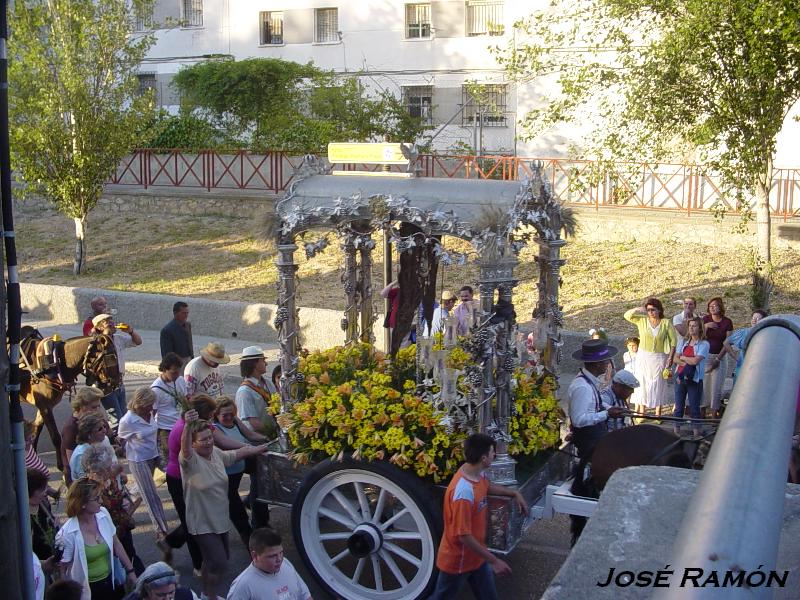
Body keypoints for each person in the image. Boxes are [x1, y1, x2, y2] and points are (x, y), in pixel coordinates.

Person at [179, 409, 269, 600]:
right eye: (202, 440)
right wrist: (187, 426)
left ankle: (204, 592)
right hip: (201, 521)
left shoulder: (216, 454)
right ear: (193, 443)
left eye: (210, 437)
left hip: (219, 518)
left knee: (213, 561)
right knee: (220, 563)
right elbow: (185, 448)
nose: (208, 442)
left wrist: (259, 448)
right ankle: (210, 595)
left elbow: (237, 453)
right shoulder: (190, 461)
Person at [429, 433, 528, 600]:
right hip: (458, 561)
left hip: (477, 557)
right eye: (492, 452)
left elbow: (486, 487)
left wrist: (513, 493)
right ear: (484, 458)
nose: (494, 455)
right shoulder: (464, 493)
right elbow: (463, 536)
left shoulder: (476, 472)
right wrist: (494, 560)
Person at [56, 478, 137, 600]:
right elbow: (62, 570)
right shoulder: (66, 534)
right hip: (85, 591)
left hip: (110, 583)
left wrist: (131, 571)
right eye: (96, 498)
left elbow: (116, 543)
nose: (101, 501)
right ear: (82, 503)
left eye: (100, 496)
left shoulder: (103, 514)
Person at [117, 388, 170, 557]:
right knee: (151, 495)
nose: (150, 408)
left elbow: (154, 433)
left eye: (151, 405)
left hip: (154, 455)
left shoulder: (150, 413)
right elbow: (121, 441)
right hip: (138, 459)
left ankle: (124, 504)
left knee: (143, 490)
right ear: (139, 404)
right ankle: (161, 531)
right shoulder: (128, 420)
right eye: (147, 405)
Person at [80, 445, 144, 576]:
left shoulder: (109, 478)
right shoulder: (94, 489)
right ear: (98, 470)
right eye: (108, 467)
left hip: (122, 527)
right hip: (110, 532)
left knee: (131, 556)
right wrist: (132, 507)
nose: (112, 469)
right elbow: (106, 512)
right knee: (125, 565)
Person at [212, 396, 268, 545]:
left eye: (232, 413)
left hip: (240, 466)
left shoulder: (235, 421)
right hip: (226, 473)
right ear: (216, 415)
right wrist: (251, 448)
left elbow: (250, 435)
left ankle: (253, 506)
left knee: (260, 478)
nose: (229, 417)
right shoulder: (215, 429)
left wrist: (267, 439)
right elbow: (229, 443)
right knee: (233, 508)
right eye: (225, 415)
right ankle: (248, 537)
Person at [567, 339, 629, 458]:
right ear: (597, 364)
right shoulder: (582, 387)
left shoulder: (589, 381)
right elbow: (578, 420)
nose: (608, 363)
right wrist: (606, 414)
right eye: (605, 361)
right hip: (588, 440)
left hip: (595, 434)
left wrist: (612, 408)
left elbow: (595, 403)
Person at [623, 298, 678, 417]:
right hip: (643, 356)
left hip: (659, 357)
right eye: (648, 310)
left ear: (659, 310)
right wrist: (638, 309)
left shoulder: (665, 323)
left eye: (653, 309)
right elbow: (627, 315)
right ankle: (641, 413)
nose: (651, 312)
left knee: (657, 383)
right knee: (642, 383)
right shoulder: (642, 320)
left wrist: (670, 358)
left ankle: (658, 414)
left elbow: (673, 341)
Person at [227, 528, 312, 600]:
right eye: (272, 556)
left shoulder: (286, 563)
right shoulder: (242, 586)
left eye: (281, 553)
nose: (279, 559)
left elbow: (305, 596)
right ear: (255, 555)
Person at [92, 313, 142, 423]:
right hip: (107, 387)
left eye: (111, 320)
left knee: (124, 418)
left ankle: (121, 438)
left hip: (120, 384)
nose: (111, 323)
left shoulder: (118, 339)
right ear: (99, 327)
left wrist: (130, 331)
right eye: (107, 322)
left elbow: (138, 342)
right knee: (116, 420)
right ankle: (115, 439)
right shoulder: (96, 343)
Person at [60, 387, 107, 485]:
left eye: (99, 406)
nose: (98, 410)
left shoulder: (95, 418)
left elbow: (109, 435)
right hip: (82, 481)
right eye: (94, 407)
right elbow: (73, 462)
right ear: (81, 406)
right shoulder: (71, 428)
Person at [673, 317, 710, 437]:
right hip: (680, 377)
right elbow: (675, 359)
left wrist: (683, 358)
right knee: (679, 407)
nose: (691, 328)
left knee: (694, 408)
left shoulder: (704, 344)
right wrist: (685, 363)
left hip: (694, 379)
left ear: (700, 328)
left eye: (694, 326)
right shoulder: (683, 342)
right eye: (690, 326)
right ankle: (676, 432)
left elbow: (695, 361)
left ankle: (696, 434)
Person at [151, 352, 187, 468]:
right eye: (173, 372)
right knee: (171, 460)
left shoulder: (180, 380)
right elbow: (152, 413)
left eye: (178, 371)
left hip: (181, 425)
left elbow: (185, 399)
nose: (177, 375)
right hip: (166, 429)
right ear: (164, 369)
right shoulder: (156, 389)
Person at [701, 297, 734, 418]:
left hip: (719, 357)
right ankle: (702, 414)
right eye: (710, 306)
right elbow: (698, 337)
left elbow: (728, 342)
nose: (713, 308)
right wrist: (706, 326)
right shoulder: (705, 320)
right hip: (705, 357)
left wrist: (718, 359)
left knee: (716, 387)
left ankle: (714, 415)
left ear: (720, 307)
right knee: (704, 386)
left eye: (715, 305)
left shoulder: (727, 322)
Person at [235, 346, 277, 436]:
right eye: (263, 360)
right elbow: (255, 423)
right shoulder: (244, 392)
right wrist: (275, 431)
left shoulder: (267, 383)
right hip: (258, 440)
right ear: (255, 364)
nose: (266, 363)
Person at [723, 309, 768, 385]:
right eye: (753, 318)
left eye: (758, 318)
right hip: (742, 368)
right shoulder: (743, 332)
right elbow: (726, 342)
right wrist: (735, 356)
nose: (754, 320)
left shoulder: (767, 335)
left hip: (759, 370)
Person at [69, 413, 114, 481]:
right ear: (89, 434)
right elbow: (86, 481)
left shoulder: (97, 445)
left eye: (104, 426)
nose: (104, 430)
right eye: (99, 429)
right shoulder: (81, 454)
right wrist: (113, 473)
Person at [28, 469, 58, 568]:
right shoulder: (21, 516)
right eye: (41, 490)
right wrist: (42, 564)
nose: (45, 492)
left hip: (51, 560)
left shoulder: (44, 503)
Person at [122, 562, 194, 600]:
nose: (167, 598)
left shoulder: (186, 595)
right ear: (147, 589)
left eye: (171, 592)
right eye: (161, 595)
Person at [159, 301, 194, 368]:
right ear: (175, 313)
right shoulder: (167, 330)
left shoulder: (187, 325)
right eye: (183, 313)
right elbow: (166, 353)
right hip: (177, 364)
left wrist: (191, 359)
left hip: (189, 361)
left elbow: (189, 343)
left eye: (187, 313)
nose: (186, 315)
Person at [622, 337, 645, 418]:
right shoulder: (625, 354)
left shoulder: (640, 355)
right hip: (628, 376)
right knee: (627, 395)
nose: (631, 347)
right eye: (629, 345)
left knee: (638, 395)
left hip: (638, 376)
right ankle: (627, 410)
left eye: (634, 345)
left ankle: (637, 411)